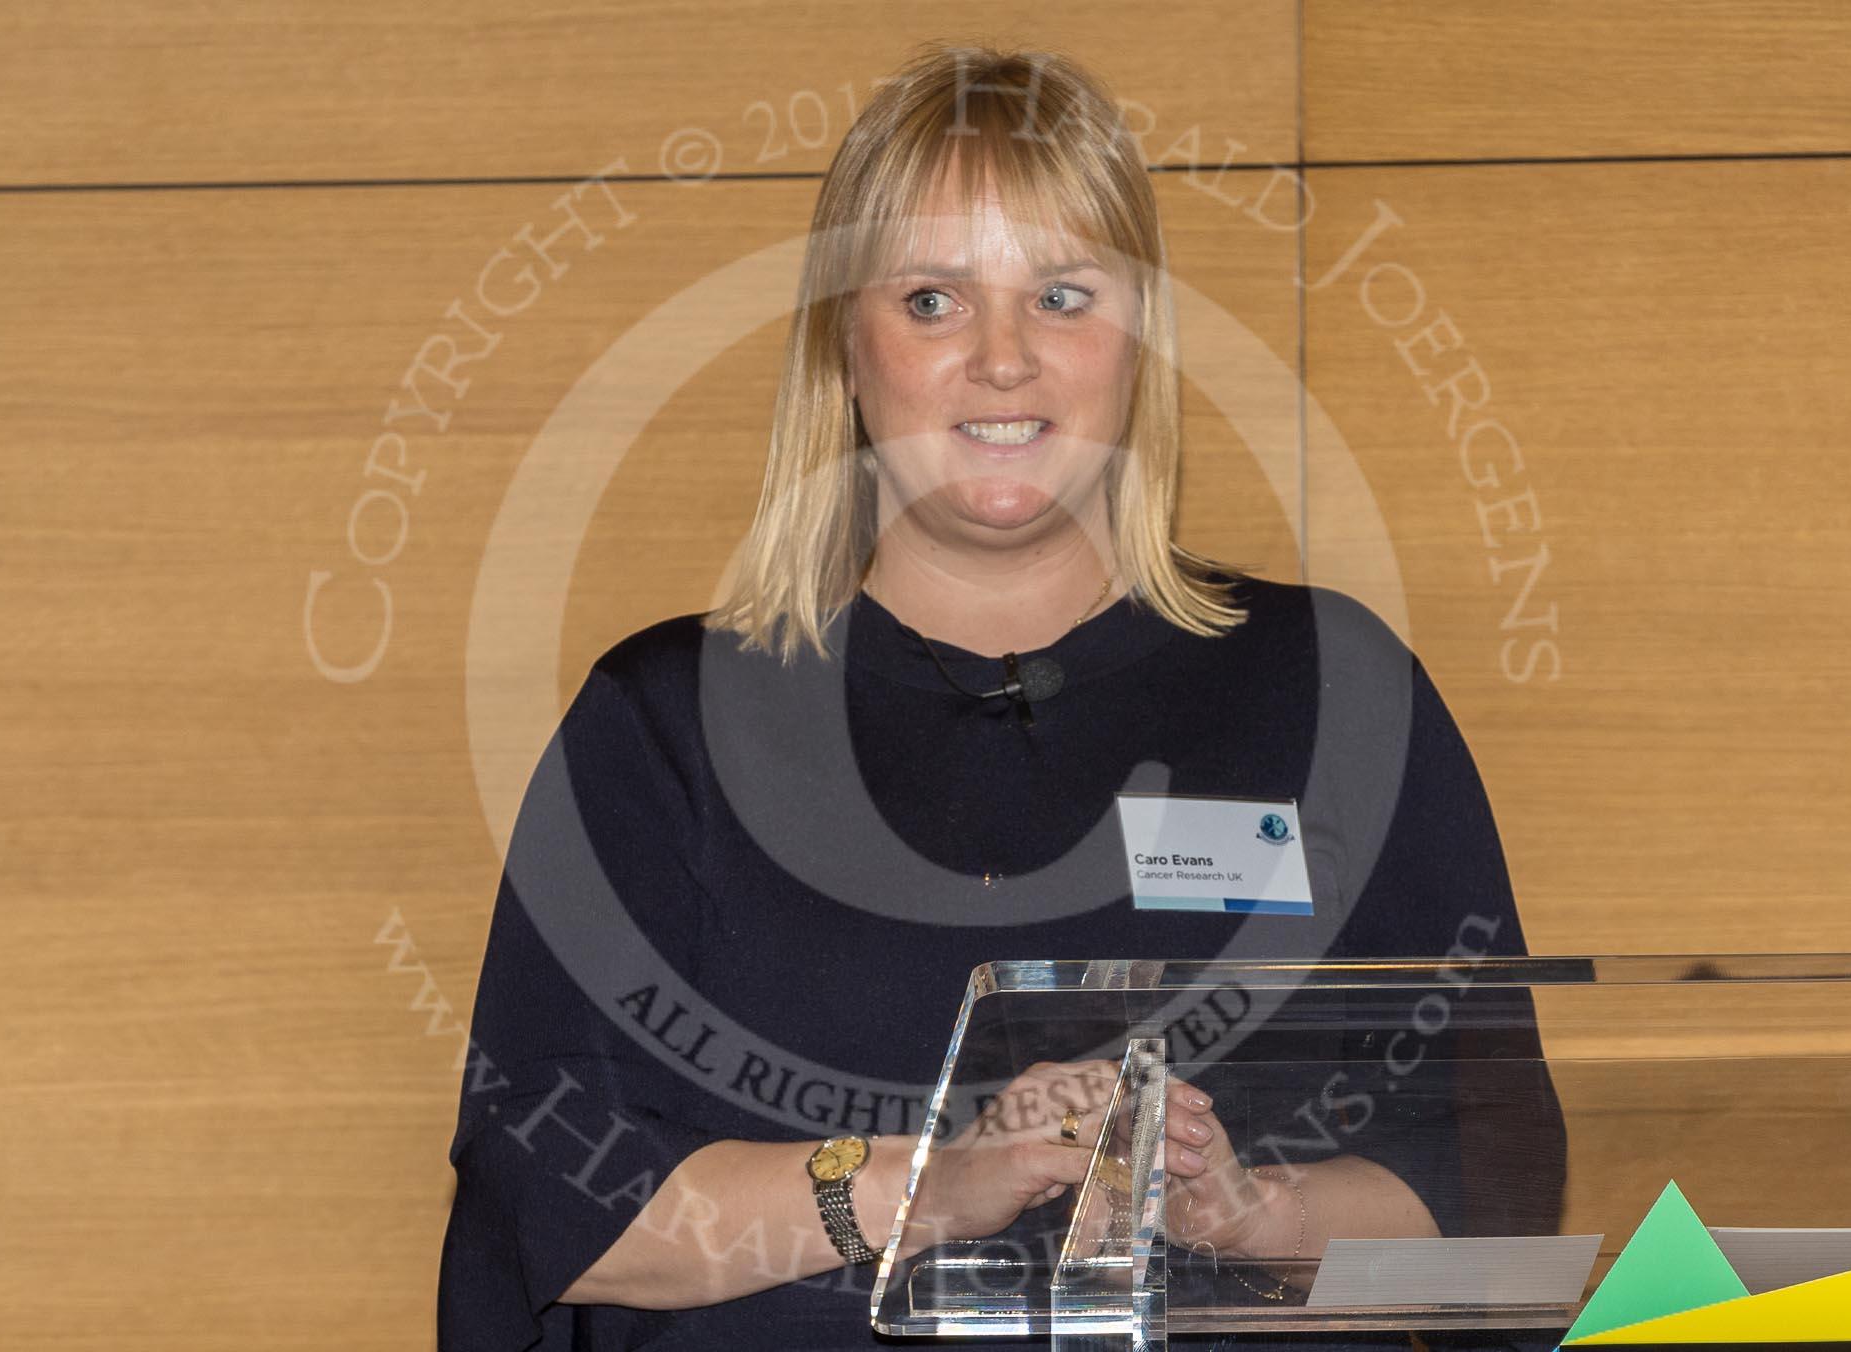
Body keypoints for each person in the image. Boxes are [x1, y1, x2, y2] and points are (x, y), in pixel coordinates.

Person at [437, 42, 1565, 1352]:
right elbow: (556, 1201)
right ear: (842, 351)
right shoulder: (664, 726)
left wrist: (1246, 1209)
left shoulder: (1333, 694)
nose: (1003, 359)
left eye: (1063, 295)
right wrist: (932, 1188)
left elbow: (1488, 1200)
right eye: (931, 300)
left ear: (1137, 338)